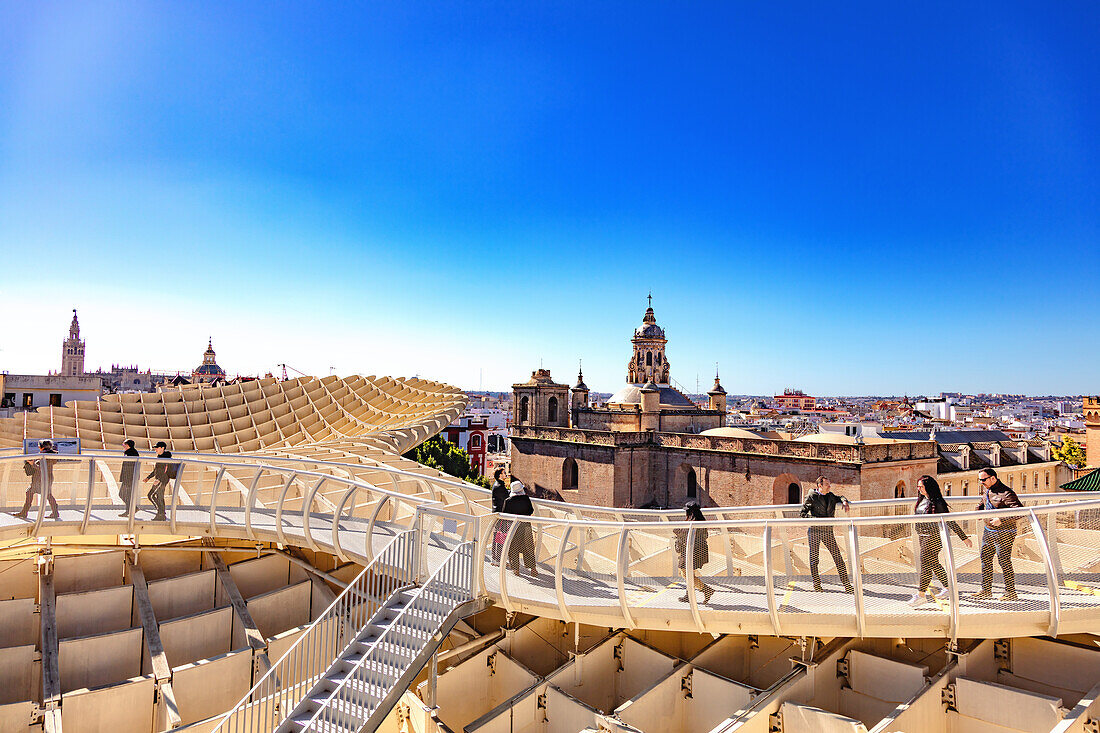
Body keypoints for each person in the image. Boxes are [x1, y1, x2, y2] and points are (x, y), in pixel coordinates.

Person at [908, 475, 972, 606]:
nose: (918, 489)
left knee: (926, 564)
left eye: (921, 486)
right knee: (933, 563)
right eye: (918, 486)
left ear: (928, 487)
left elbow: (949, 521)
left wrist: (963, 537)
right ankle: (949, 588)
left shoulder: (937, 502)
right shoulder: (922, 500)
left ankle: (921, 595)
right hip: (923, 536)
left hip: (934, 537)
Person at [971, 468, 1023, 601]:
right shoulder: (988, 490)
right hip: (989, 531)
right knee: (985, 559)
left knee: (1004, 561)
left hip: (1004, 533)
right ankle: (986, 590)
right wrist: (978, 510)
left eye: (983, 479)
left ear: (993, 478)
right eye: (980, 480)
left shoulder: (1006, 493)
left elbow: (1020, 512)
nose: (981, 482)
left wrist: (1002, 519)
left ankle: (1011, 593)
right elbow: (983, 503)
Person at [799, 477, 853, 592]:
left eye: (829, 484)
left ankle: (847, 586)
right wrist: (817, 520)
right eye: (827, 484)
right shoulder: (812, 496)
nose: (829, 486)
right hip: (814, 532)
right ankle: (817, 586)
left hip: (827, 532)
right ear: (820, 486)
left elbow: (840, 497)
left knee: (838, 558)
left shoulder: (830, 496)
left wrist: (844, 501)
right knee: (814, 559)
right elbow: (802, 514)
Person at [675, 500, 714, 603]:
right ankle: (689, 595)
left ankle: (706, 590)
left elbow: (683, 534)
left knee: (685, 573)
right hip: (698, 552)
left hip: (691, 552)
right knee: (689, 573)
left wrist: (677, 531)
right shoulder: (701, 521)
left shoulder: (693, 522)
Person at [14, 439, 61, 520]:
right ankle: (55, 512)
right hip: (48, 478)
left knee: (30, 492)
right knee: (48, 495)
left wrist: (32, 464)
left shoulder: (43, 456)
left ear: (40, 447)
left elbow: (42, 468)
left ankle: (24, 512)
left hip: (39, 479)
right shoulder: (52, 455)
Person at [501, 478, 538, 577]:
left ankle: (516, 569)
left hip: (513, 526)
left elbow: (504, 514)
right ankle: (533, 569)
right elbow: (531, 511)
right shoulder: (526, 499)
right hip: (526, 525)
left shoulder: (508, 501)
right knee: (528, 547)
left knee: (513, 547)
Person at [144, 441, 175, 521]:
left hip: (162, 481)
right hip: (159, 480)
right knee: (159, 497)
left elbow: (165, 471)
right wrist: (148, 478)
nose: (156, 449)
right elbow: (156, 470)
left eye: (157, 448)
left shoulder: (165, 458)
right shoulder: (160, 457)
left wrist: (159, 480)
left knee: (151, 495)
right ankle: (161, 514)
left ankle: (160, 513)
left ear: (162, 448)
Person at [118, 439, 141, 517]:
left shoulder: (132, 453)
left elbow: (130, 467)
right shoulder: (129, 452)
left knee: (122, 494)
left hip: (130, 477)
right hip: (128, 477)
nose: (123, 445)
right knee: (126, 494)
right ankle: (131, 509)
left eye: (124, 444)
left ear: (128, 445)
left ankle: (132, 509)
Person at [490, 468, 509, 562]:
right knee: (500, 536)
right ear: (500, 475)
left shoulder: (497, 485)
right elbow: (507, 497)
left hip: (498, 514)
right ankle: (497, 559)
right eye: (504, 473)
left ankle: (496, 558)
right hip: (500, 515)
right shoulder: (499, 487)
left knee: (498, 536)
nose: (506, 474)